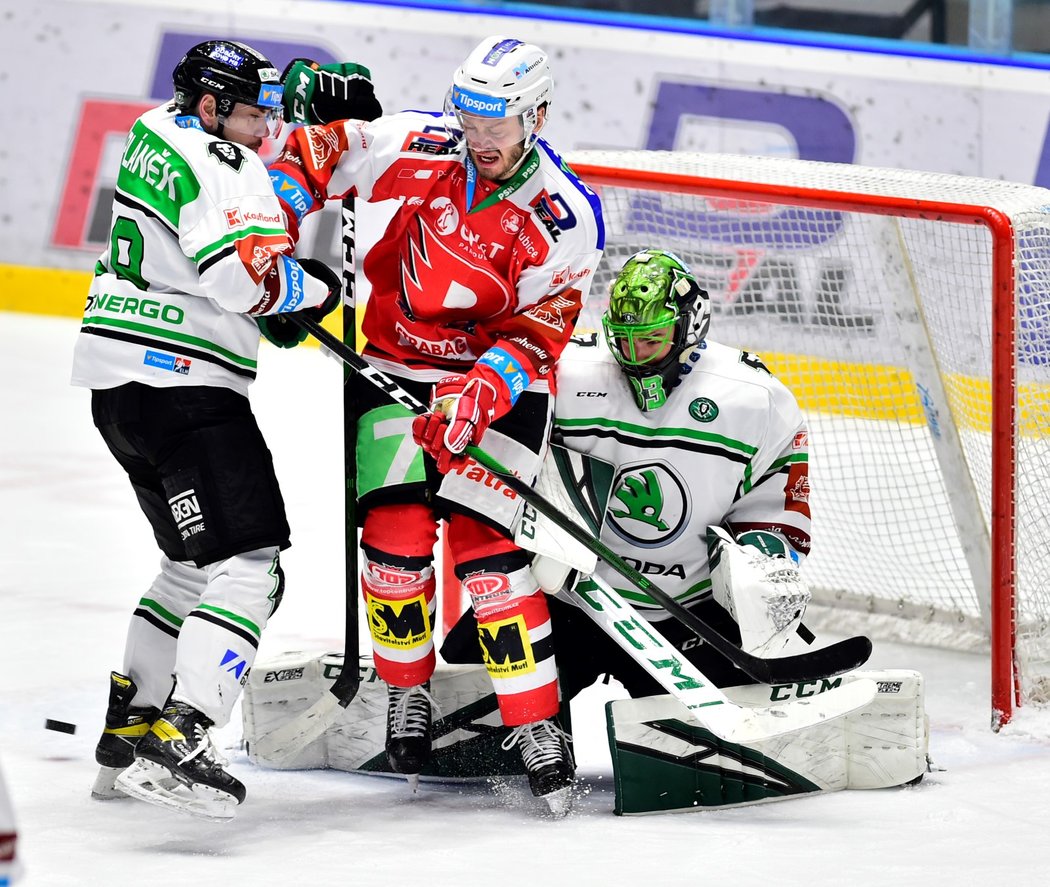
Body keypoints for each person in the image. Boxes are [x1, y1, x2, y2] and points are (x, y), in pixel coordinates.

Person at [266, 35, 604, 810]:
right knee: (394, 545)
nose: (479, 140)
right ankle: (405, 690)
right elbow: (325, 149)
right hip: (392, 372)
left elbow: (539, 329)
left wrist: (475, 398)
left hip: (496, 391)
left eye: (499, 125)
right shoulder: (415, 145)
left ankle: (538, 722)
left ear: (538, 117)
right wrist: (271, 234)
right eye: (471, 119)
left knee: (489, 560)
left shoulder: (563, 215)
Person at [71, 39, 381, 820]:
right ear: (210, 106)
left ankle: (130, 729)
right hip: (187, 390)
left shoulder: (155, 130)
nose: (261, 126)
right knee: (253, 564)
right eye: (250, 112)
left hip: (118, 389)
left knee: (186, 567)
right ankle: (186, 731)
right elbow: (244, 278)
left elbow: (236, 213)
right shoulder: (227, 161)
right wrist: (318, 282)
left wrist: (306, 138)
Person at [443, 247, 813, 704]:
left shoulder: (755, 398)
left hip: (685, 614)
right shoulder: (568, 372)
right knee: (465, 716)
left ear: (689, 326)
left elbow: (778, 505)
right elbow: (500, 457)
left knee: (708, 757)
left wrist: (761, 561)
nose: (635, 355)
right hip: (566, 599)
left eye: (652, 340)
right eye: (623, 339)